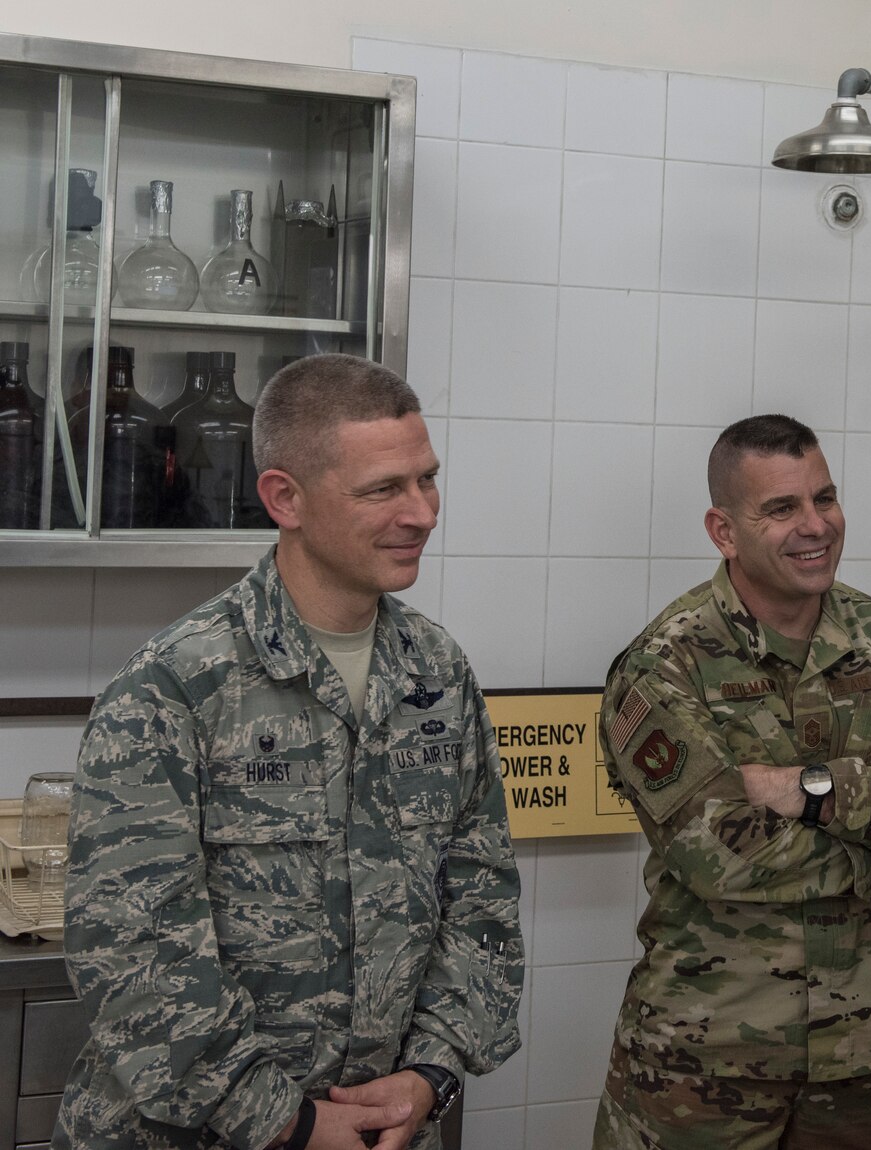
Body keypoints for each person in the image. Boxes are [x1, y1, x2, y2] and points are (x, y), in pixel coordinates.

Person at [58, 354, 525, 1150]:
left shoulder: (436, 675)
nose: (422, 513)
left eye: (427, 480)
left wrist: (430, 1075)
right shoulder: (177, 687)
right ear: (286, 498)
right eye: (384, 489)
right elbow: (132, 951)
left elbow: (482, 894)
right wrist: (286, 1121)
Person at [592, 414, 871, 1150]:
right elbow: (719, 855)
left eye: (825, 498)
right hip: (703, 1063)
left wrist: (813, 790)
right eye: (781, 509)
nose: (815, 526)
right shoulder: (665, 666)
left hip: (860, 1059)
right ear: (724, 530)